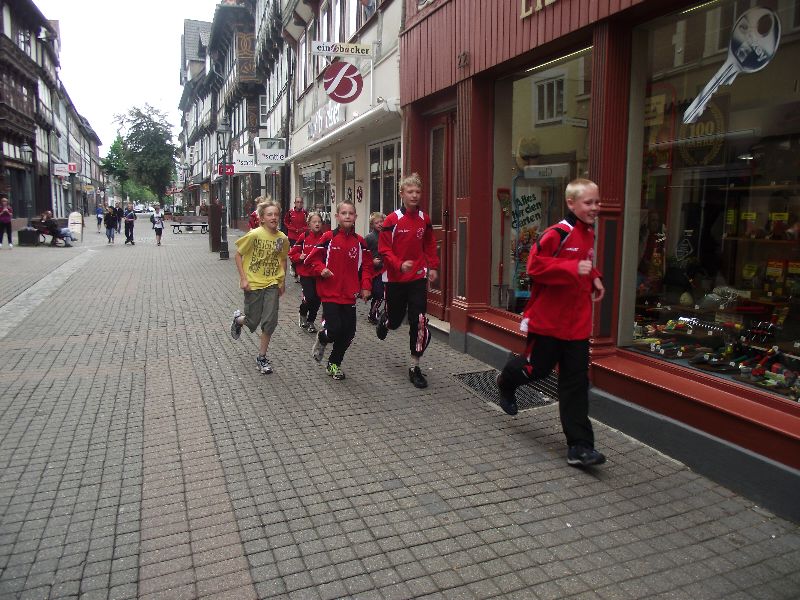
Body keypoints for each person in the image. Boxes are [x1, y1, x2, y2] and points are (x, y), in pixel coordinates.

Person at [495, 178, 606, 468]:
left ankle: (580, 446)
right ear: (571, 203)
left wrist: (594, 277)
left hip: (577, 325)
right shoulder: (557, 233)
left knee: (576, 383)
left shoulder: (589, 233)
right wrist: (573, 267)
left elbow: (586, 262)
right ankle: (506, 379)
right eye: (589, 202)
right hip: (548, 322)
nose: (595, 207)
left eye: (597, 202)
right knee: (537, 369)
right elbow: (534, 267)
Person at [376, 173, 439, 389]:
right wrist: (398, 264)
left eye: (418, 192)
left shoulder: (424, 219)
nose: (414, 195)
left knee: (419, 321)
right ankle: (386, 320)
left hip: (417, 277)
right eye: (410, 191)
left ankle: (415, 366)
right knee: (395, 322)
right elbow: (384, 249)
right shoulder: (392, 220)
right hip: (395, 279)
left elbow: (429, 244)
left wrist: (433, 266)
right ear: (401, 194)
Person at [306, 200, 373, 380]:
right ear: (337, 216)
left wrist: (366, 286)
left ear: (355, 217)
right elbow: (312, 260)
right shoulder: (328, 238)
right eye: (344, 213)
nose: (347, 216)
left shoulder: (360, 242)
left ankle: (334, 364)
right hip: (330, 294)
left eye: (351, 213)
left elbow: (367, 267)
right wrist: (321, 269)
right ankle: (323, 337)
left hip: (350, 295)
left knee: (349, 333)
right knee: (335, 329)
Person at [229, 198, 288, 375]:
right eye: (269, 214)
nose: (273, 217)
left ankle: (261, 357)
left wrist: (282, 281)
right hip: (253, 283)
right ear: (262, 218)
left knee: (270, 322)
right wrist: (243, 279)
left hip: (272, 283)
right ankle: (239, 320)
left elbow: (283, 259)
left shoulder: (282, 238)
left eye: (276, 214)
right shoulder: (254, 235)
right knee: (252, 321)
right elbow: (238, 255)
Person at [288, 212, 325, 333]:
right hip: (306, 273)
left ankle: (311, 321)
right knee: (309, 297)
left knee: (317, 299)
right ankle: (302, 313)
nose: (317, 224)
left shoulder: (325, 238)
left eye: (319, 222)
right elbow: (292, 253)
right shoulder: (304, 237)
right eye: (314, 222)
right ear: (309, 224)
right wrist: (300, 256)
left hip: (319, 274)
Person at [365, 212, 386, 324]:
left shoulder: (387, 235)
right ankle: (372, 313)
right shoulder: (369, 238)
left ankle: (374, 313)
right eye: (376, 223)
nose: (379, 224)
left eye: (381, 221)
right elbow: (363, 254)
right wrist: (371, 262)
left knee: (382, 293)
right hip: (374, 271)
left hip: (386, 269)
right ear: (372, 225)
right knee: (378, 292)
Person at [284, 196, 308, 280]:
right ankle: (294, 268)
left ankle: (296, 269)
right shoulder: (290, 212)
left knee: (301, 254)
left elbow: (308, 224)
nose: (299, 204)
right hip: (293, 236)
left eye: (301, 202)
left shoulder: (305, 213)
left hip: (302, 236)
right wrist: (292, 229)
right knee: (294, 253)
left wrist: (303, 229)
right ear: (294, 203)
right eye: (297, 202)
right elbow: (286, 222)